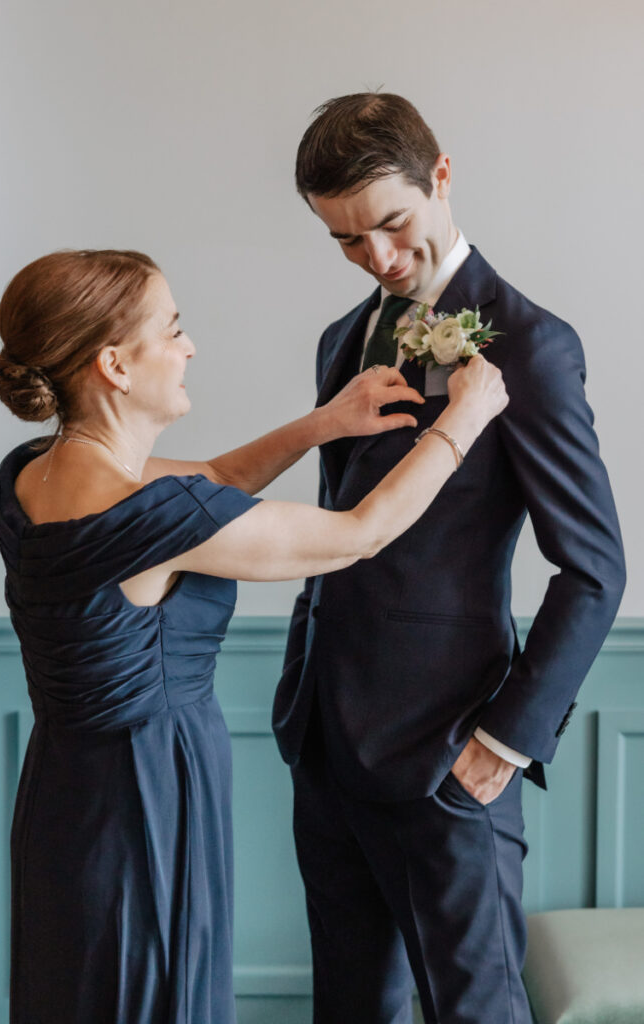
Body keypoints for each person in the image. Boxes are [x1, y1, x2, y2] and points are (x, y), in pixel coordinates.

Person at [0, 248, 506, 1024]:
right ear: (114, 366)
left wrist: (323, 424)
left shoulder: (32, 473)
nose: (190, 347)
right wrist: (461, 421)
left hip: (65, 795)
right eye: (173, 329)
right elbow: (360, 534)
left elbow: (211, 481)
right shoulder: (148, 518)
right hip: (147, 798)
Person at [273, 93, 627, 1024]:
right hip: (323, 738)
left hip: (446, 753)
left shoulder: (531, 345)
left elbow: (593, 567)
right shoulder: (341, 339)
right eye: (346, 240)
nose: (379, 258)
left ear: (439, 176)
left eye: (391, 223)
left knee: (476, 1011)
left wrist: (504, 741)